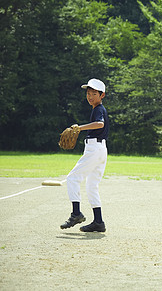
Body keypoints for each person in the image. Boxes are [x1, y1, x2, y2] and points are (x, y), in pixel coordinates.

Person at [60, 78, 109, 232]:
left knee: (72, 178)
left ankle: (76, 214)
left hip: (94, 149)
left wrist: (79, 128)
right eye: (88, 93)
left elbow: (100, 124)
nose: (90, 96)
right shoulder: (96, 109)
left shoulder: (99, 109)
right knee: (91, 185)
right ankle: (99, 222)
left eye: (94, 93)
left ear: (102, 95)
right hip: (101, 150)